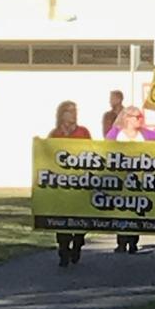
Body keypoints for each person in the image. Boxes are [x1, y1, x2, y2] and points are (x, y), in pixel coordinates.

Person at [48, 100, 91, 267]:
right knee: (62, 218)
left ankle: (78, 243)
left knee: (81, 218)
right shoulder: (55, 134)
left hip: (79, 181)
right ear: (62, 114)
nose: (74, 114)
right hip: (61, 183)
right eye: (70, 111)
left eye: (75, 111)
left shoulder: (83, 132)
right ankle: (63, 248)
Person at [106, 106, 147, 253]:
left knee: (136, 208)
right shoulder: (116, 133)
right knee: (122, 208)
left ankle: (133, 241)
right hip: (120, 176)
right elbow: (105, 146)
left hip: (139, 176)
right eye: (137, 117)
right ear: (127, 118)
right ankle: (121, 241)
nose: (140, 120)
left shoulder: (144, 134)